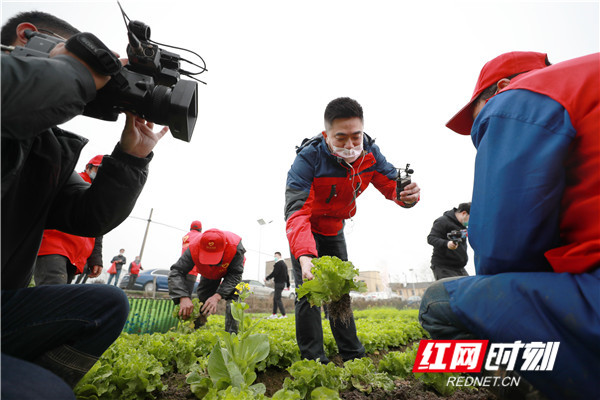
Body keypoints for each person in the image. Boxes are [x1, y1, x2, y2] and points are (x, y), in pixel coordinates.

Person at [1, 11, 168, 398]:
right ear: (26, 38)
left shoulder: (49, 149)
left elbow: (89, 215)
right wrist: (76, 72)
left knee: (105, 303)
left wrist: (131, 159)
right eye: (79, 67)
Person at [419, 52, 599, 400]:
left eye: (479, 124)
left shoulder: (523, 97)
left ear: (502, 89)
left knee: (436, 304)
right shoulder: (586, 87)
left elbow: (504, 252)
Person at [285, 97, 421, 363]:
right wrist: (304, 255)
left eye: (355, 137)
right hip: (307, 230)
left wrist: (407, 196)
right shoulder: (307, 160)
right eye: (341, 138)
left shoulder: (371, 154)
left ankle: (352, 356)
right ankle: (313, 360)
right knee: (309, 293)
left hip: (334, 229)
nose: (350, 146)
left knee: (340, 295)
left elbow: (391, 185)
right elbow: (297, 211)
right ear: (326, 135)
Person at [34, 155, 105, 286]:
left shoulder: (97, 195)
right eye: (99, 169)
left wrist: (95, 258)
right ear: (88, 168)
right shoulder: (70, 181)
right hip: (53, 246)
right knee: (52, 295)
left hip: (76, 255)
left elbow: (97, 229)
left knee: (58, 300)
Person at [168, 228, 246, 333]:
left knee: (234, 299)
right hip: (208, 273)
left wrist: (217, 296)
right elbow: (176, 271)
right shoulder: (193, 248)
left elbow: (235, 275)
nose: (212, 262)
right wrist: (183, 296)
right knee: (203, 300)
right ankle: (196, 329)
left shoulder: (235, 246)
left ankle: (232, 335)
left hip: (230, 271)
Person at [427, 202, 471, 280]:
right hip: (444, 268)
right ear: (464, 213)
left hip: (460, 268)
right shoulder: (442, 221)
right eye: (471, 218)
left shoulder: (463, 226)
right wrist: (447, 244)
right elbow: (431, 238)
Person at [265, 251, 290, 319]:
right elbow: (287, 275)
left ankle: (284, 315)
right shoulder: (284, 264)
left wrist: (267, 278)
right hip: (282, 284)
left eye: (276, 256)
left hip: (279, 283)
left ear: (280, 256)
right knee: (275, 298)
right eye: (274, 256)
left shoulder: (278, 264)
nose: (275, 257)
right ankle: (274, 314)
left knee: (277, 299)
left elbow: (274, 273)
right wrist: (288, 285)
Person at [181, 220, 203, 294]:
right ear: (200, 229)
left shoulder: (185, 237)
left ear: (190, 228)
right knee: (187, 295)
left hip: (181, 268)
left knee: (181, 294)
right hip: (192, 270)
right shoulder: (200, 236)